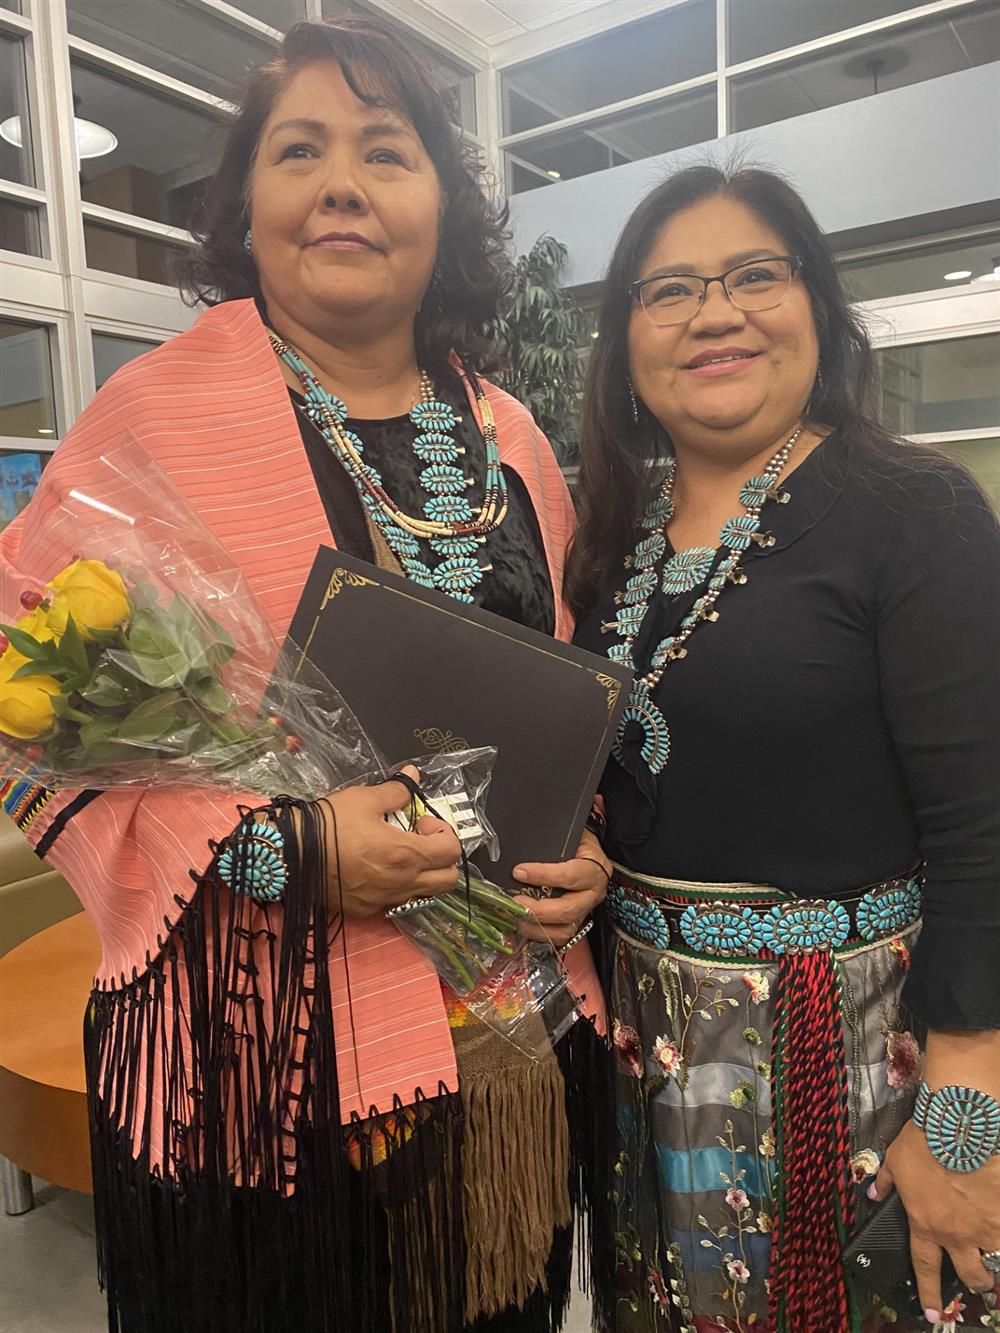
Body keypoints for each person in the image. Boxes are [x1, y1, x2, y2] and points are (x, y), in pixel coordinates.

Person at [0, 19, 612, 1333]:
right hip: (259, 1069)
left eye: (386, 151)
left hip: (500, 1055)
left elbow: (563, 704)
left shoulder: (515, 446)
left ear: (442, 205)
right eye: (301, 150)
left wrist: (585, 856)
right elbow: (25, 713)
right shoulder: (146, 427)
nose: (344, 182)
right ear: (245, 203)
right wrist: (279, 854)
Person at [569, 164, 1000, 1332]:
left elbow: (983, 831)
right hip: (645, 1048)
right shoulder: (609, 544)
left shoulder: (915, 510)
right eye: (669, 290)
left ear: (816, 303)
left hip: (848, 1052)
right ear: (625, 345)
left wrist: (967, 1125)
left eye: (754, 273)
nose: (715, 312)